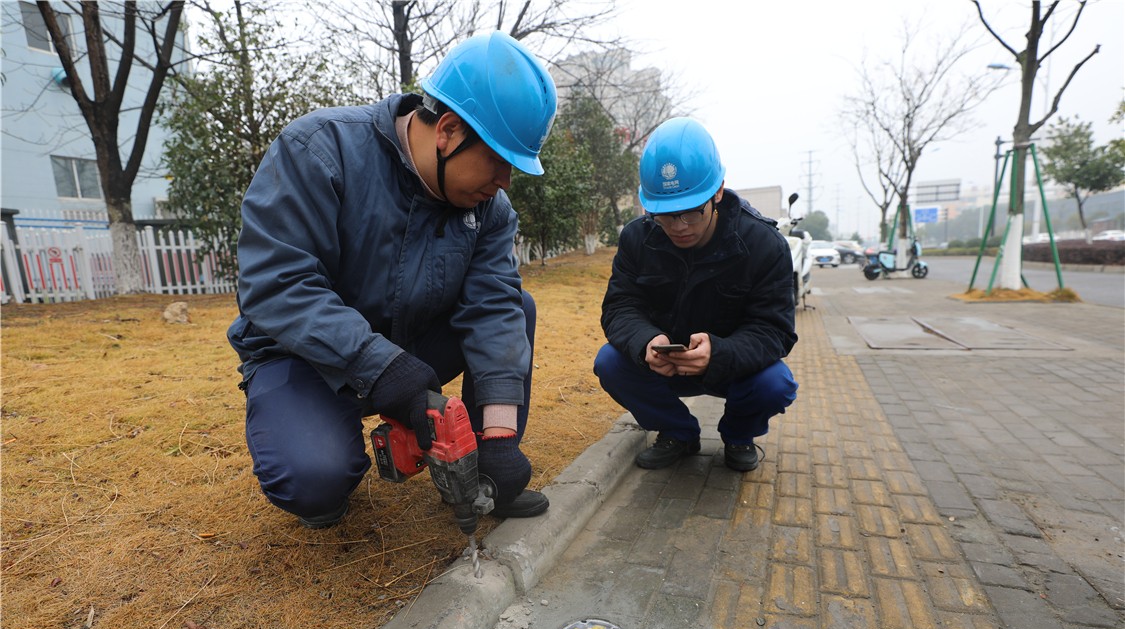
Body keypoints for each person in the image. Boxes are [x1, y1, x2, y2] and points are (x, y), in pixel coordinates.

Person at [228, 31, 557, 528]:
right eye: (498, 162)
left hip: (411, 346)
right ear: (447, 130)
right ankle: (325, 472)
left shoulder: (490, 209)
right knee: (313, 479)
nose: (505, 182)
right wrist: (380, 367)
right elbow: (277, 282)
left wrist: (500, 439)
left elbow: (494, 310)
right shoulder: (319, 150)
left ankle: (477, 473)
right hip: (302, 355)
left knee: (518, 306)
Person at [594, 117, 798, 472]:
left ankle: (738, 434)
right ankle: (678, 432)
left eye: (691, 212)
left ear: (717, 191)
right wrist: (646, 342)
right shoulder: (635, 239)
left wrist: (719, 353)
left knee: (775, 383)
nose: (678, 227)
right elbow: (620, 306)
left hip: (733, 368)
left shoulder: (765, 246)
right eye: (664, 215)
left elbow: (774, 330)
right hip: (665, 365)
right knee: (609, 362)